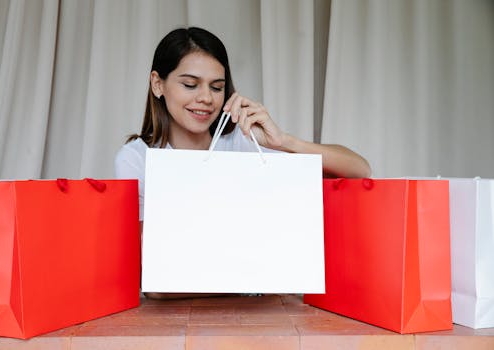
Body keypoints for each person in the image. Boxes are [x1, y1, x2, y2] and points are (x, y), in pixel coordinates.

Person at [115, 27, 371, 300]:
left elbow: (359, 170)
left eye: (217, 87)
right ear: (157, 84)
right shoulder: (137, 158)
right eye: (190, 84)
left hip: (256, 315)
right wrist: (255, 279)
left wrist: (283, 141)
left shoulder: (241, 141)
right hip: (181, 322)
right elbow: (155, 285)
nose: (206, 98)